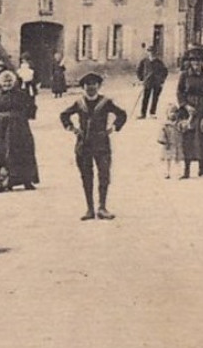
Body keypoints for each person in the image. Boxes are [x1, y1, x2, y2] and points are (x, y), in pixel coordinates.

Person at [59, 72, 128, 220]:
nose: (91, 87)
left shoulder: (106, 102)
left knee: (104, 174)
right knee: (86, 175)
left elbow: (122, 114)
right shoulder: (79, 103)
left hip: (102, 144)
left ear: (98, 86)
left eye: (94, 84)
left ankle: (102, 207)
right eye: (87, 85)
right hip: (83, 144)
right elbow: (64, 115)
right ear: (83, 87)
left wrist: (113, 128)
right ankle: (89, 209)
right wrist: (72, 129)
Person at [0, 68, 40, 192]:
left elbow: (30, 110)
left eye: (9, 81)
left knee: (23, 152)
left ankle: (26, 180)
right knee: (3, 153)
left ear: (13, 82)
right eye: (4, 82)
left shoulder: (20, 94)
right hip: (0, 129)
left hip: (19, 129)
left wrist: (30, 102)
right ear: (0, 82)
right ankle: (2, 181)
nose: (7, 84)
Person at [175, 47, 203, 179]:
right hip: (188, 111)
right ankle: (186, 169)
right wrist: (186, 106)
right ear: (190, 62)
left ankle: (202, 167)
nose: (196, 64)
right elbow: (179, 92)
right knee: (187, 138)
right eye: (194, 61)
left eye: (199, 61)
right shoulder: (184, 75)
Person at [137, 47, 169, 117]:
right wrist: (141, 79)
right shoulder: (144, 61)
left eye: (152, 52)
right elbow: (139, 70)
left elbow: (165, 71)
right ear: (147, 52)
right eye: (149, 52)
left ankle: (152, 113)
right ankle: (143, 113)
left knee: (155, 98)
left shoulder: (159, 62)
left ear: (155, 53)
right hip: (147, 82)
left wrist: (161, 80)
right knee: (145, 98)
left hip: (156, 83)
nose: (151, 53)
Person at [159, 104, 188, 179]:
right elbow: (162, 134)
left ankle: (177, 173)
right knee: (167, 160)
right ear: (167, 114)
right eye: (171, 112)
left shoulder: (179, 123)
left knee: (177, 160)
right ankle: (166, 172)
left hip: (177, 145)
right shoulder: (165, 125)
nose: (173, 114)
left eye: (175, 112)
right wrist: (163, 140)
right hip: (168, 145)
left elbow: (184, 128)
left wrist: (186, 124)